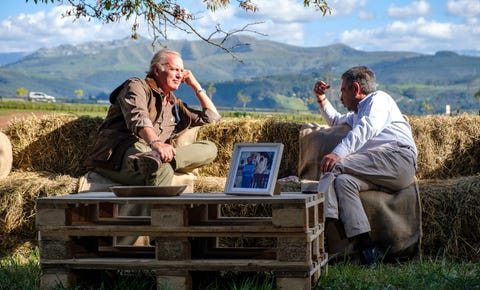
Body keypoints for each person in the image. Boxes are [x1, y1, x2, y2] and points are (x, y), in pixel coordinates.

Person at [84, 49, 221, 243]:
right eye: (175, 69)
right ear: (157, 70)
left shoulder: (173, 103)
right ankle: (162, 237)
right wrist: (156, 143)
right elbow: (138, 118)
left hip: (151, 156)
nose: (180, 74)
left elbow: (212, 118)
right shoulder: (136, 86)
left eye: (182, 71)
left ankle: (157, 161)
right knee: (160, 166)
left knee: (210, 147)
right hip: (119, 154)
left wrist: (195, 85)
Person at [313, 66, 417, 267]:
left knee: (332, 167)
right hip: (381, 169)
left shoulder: (378, 100)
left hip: (397, 158)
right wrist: (320, 97)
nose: (341, 96)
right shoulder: (358, 113)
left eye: (343, 90)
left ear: (355, 88)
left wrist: (337, 154)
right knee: (344, 183)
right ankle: (368, 251)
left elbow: (367, 128)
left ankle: (323, 235)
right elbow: (335, 120)